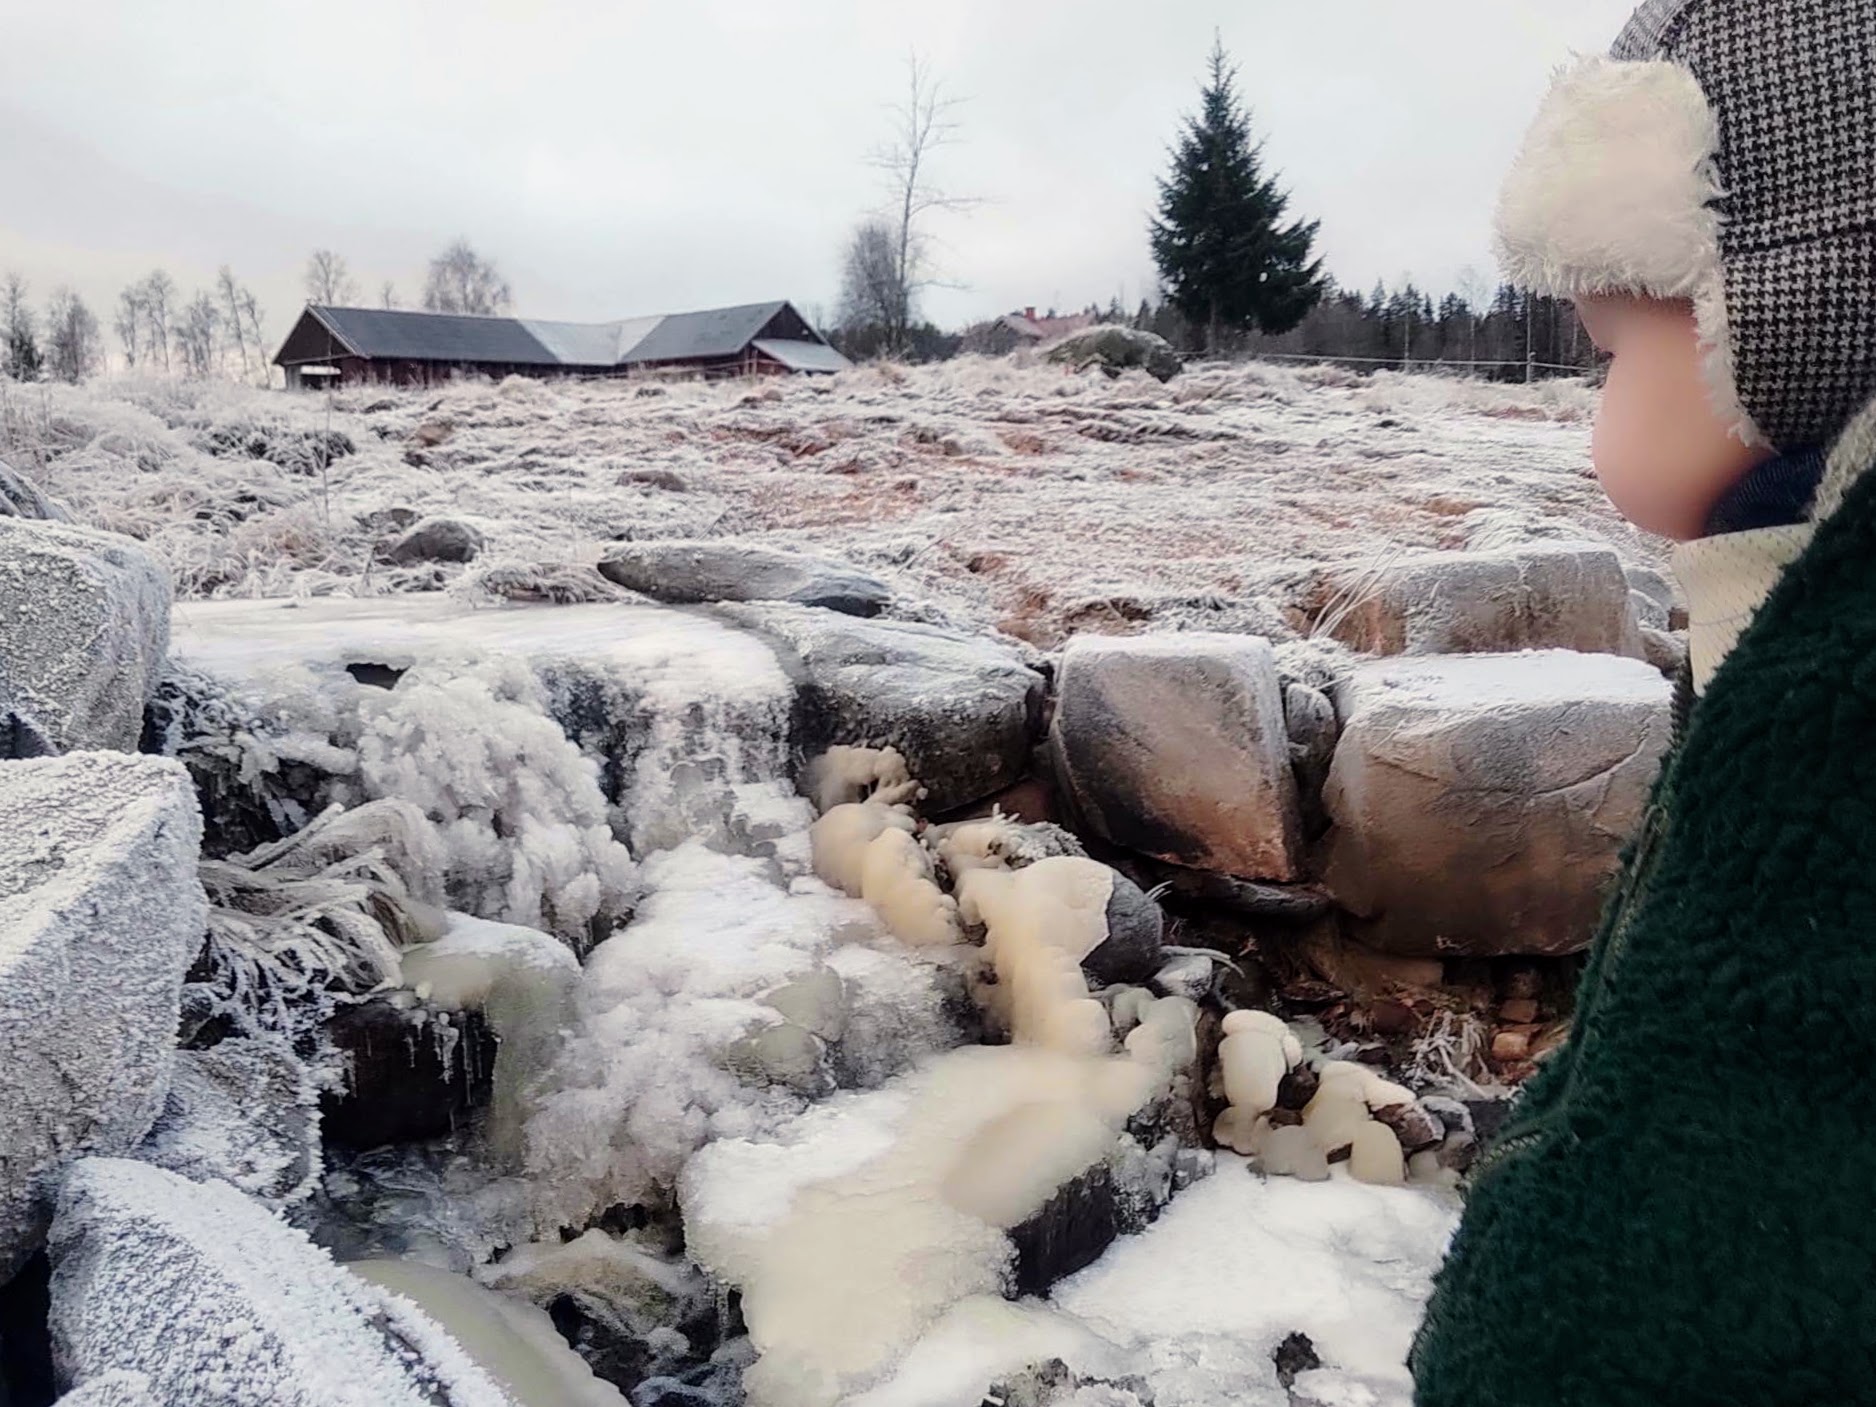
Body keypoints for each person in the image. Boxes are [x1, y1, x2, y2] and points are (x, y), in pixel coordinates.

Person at [1411, 2, 1876, 1403]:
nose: (1594, 406)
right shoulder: (1808, 609)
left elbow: (1735, 1167)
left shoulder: (1841, 694)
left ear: (1798, 308)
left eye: (1613, 351)